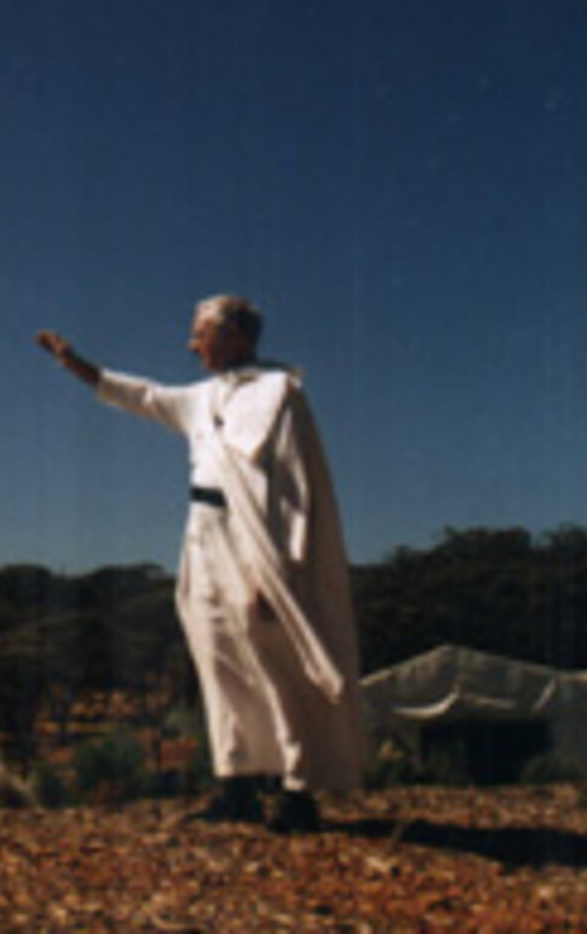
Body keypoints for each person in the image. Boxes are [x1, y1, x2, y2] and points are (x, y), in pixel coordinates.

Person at [35, 296, 365, 833]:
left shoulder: (279, 394)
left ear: (235, 335)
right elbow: (143, 396)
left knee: (271, 662)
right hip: (203, 538)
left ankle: (295, 792)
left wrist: (281, 567)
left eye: (199, 333)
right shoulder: (201, 397)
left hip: (254, 542)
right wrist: (76, 365)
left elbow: (297, 490)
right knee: (217, 659)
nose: (191, 345)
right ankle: (235, 786)